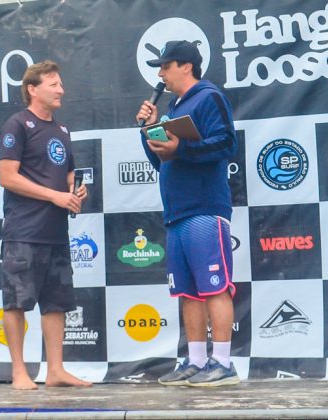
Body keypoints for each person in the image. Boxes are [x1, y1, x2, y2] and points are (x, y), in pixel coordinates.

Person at [135, 41, 240, 387]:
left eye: (165, 66)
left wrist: (184, 146)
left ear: (186, 67)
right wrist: (148, 131)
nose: (160, 73)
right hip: (177, 211)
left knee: (214, 288)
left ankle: (223, 363)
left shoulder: (208, 98)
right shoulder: (174, 106)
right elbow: (162, 161)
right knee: (189, 292)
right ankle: (195, 361)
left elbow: (226, 144)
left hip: (205, 208)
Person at [0, 60, 91, 390]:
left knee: (56, 303)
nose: (61, 89)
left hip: (56, 232)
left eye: (61, 84)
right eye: (54, 84)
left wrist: (75, 190)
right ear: (33, 89)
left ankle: (56, 370)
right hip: (24, 230)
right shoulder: (17, 125)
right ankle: (19, 372)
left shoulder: (62, 130)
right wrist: (54, 196)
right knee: (17, 301)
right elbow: (7, 177)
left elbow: (67, 175)